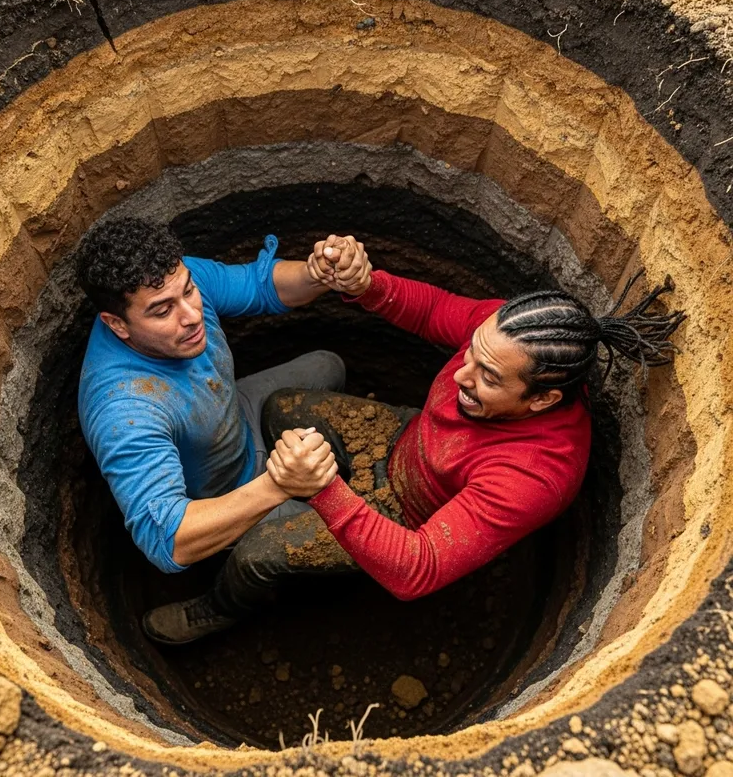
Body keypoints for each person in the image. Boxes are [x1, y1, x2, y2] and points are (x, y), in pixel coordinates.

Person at [203, 239, 686, 621]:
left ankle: (222, 608)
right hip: (403, 441)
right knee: (282, 408)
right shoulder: (505, 335)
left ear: (541, 399)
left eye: (488, 377)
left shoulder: (538, 474)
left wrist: (325, 491)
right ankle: (313, 493)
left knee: (254, 555)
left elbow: (419, 569)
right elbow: (436, 311)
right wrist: (367, 284)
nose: (460, 375)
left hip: (408, 519)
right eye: (471, 352)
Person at [75, 218, 371, 644]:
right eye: (163, 311)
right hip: (223, 492)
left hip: (235, 415)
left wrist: (318, 274)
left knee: (329, 365)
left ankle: (325, 469)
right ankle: (221, 606)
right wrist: (279, 484)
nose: (192, 316)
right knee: (281, 553)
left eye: (189, 291)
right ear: (117, 324)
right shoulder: (125, 409)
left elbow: (260, 285)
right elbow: (168, 540)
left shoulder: (171, 279)